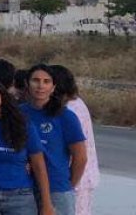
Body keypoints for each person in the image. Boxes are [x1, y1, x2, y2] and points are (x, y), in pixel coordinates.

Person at [0, 78, 53, 215]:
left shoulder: (22, 123)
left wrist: (47, 203)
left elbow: (38, 164)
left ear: (2, 94)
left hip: (20, 197)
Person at [20, 65, 86, 215]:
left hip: (56, 190)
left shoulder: (65, 116)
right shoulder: (18, 113)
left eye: (46, 81)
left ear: (53, 87)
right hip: (23, 189)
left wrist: (67, 186)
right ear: (27, 83)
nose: (40, 86)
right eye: (35, 80)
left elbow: (81, 158)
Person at [47, 65, 98, 215]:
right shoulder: (77, 103)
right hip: (83, 178)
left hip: (74, 179)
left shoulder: (68, 110)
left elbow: (79, 156)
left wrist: (69, 186)